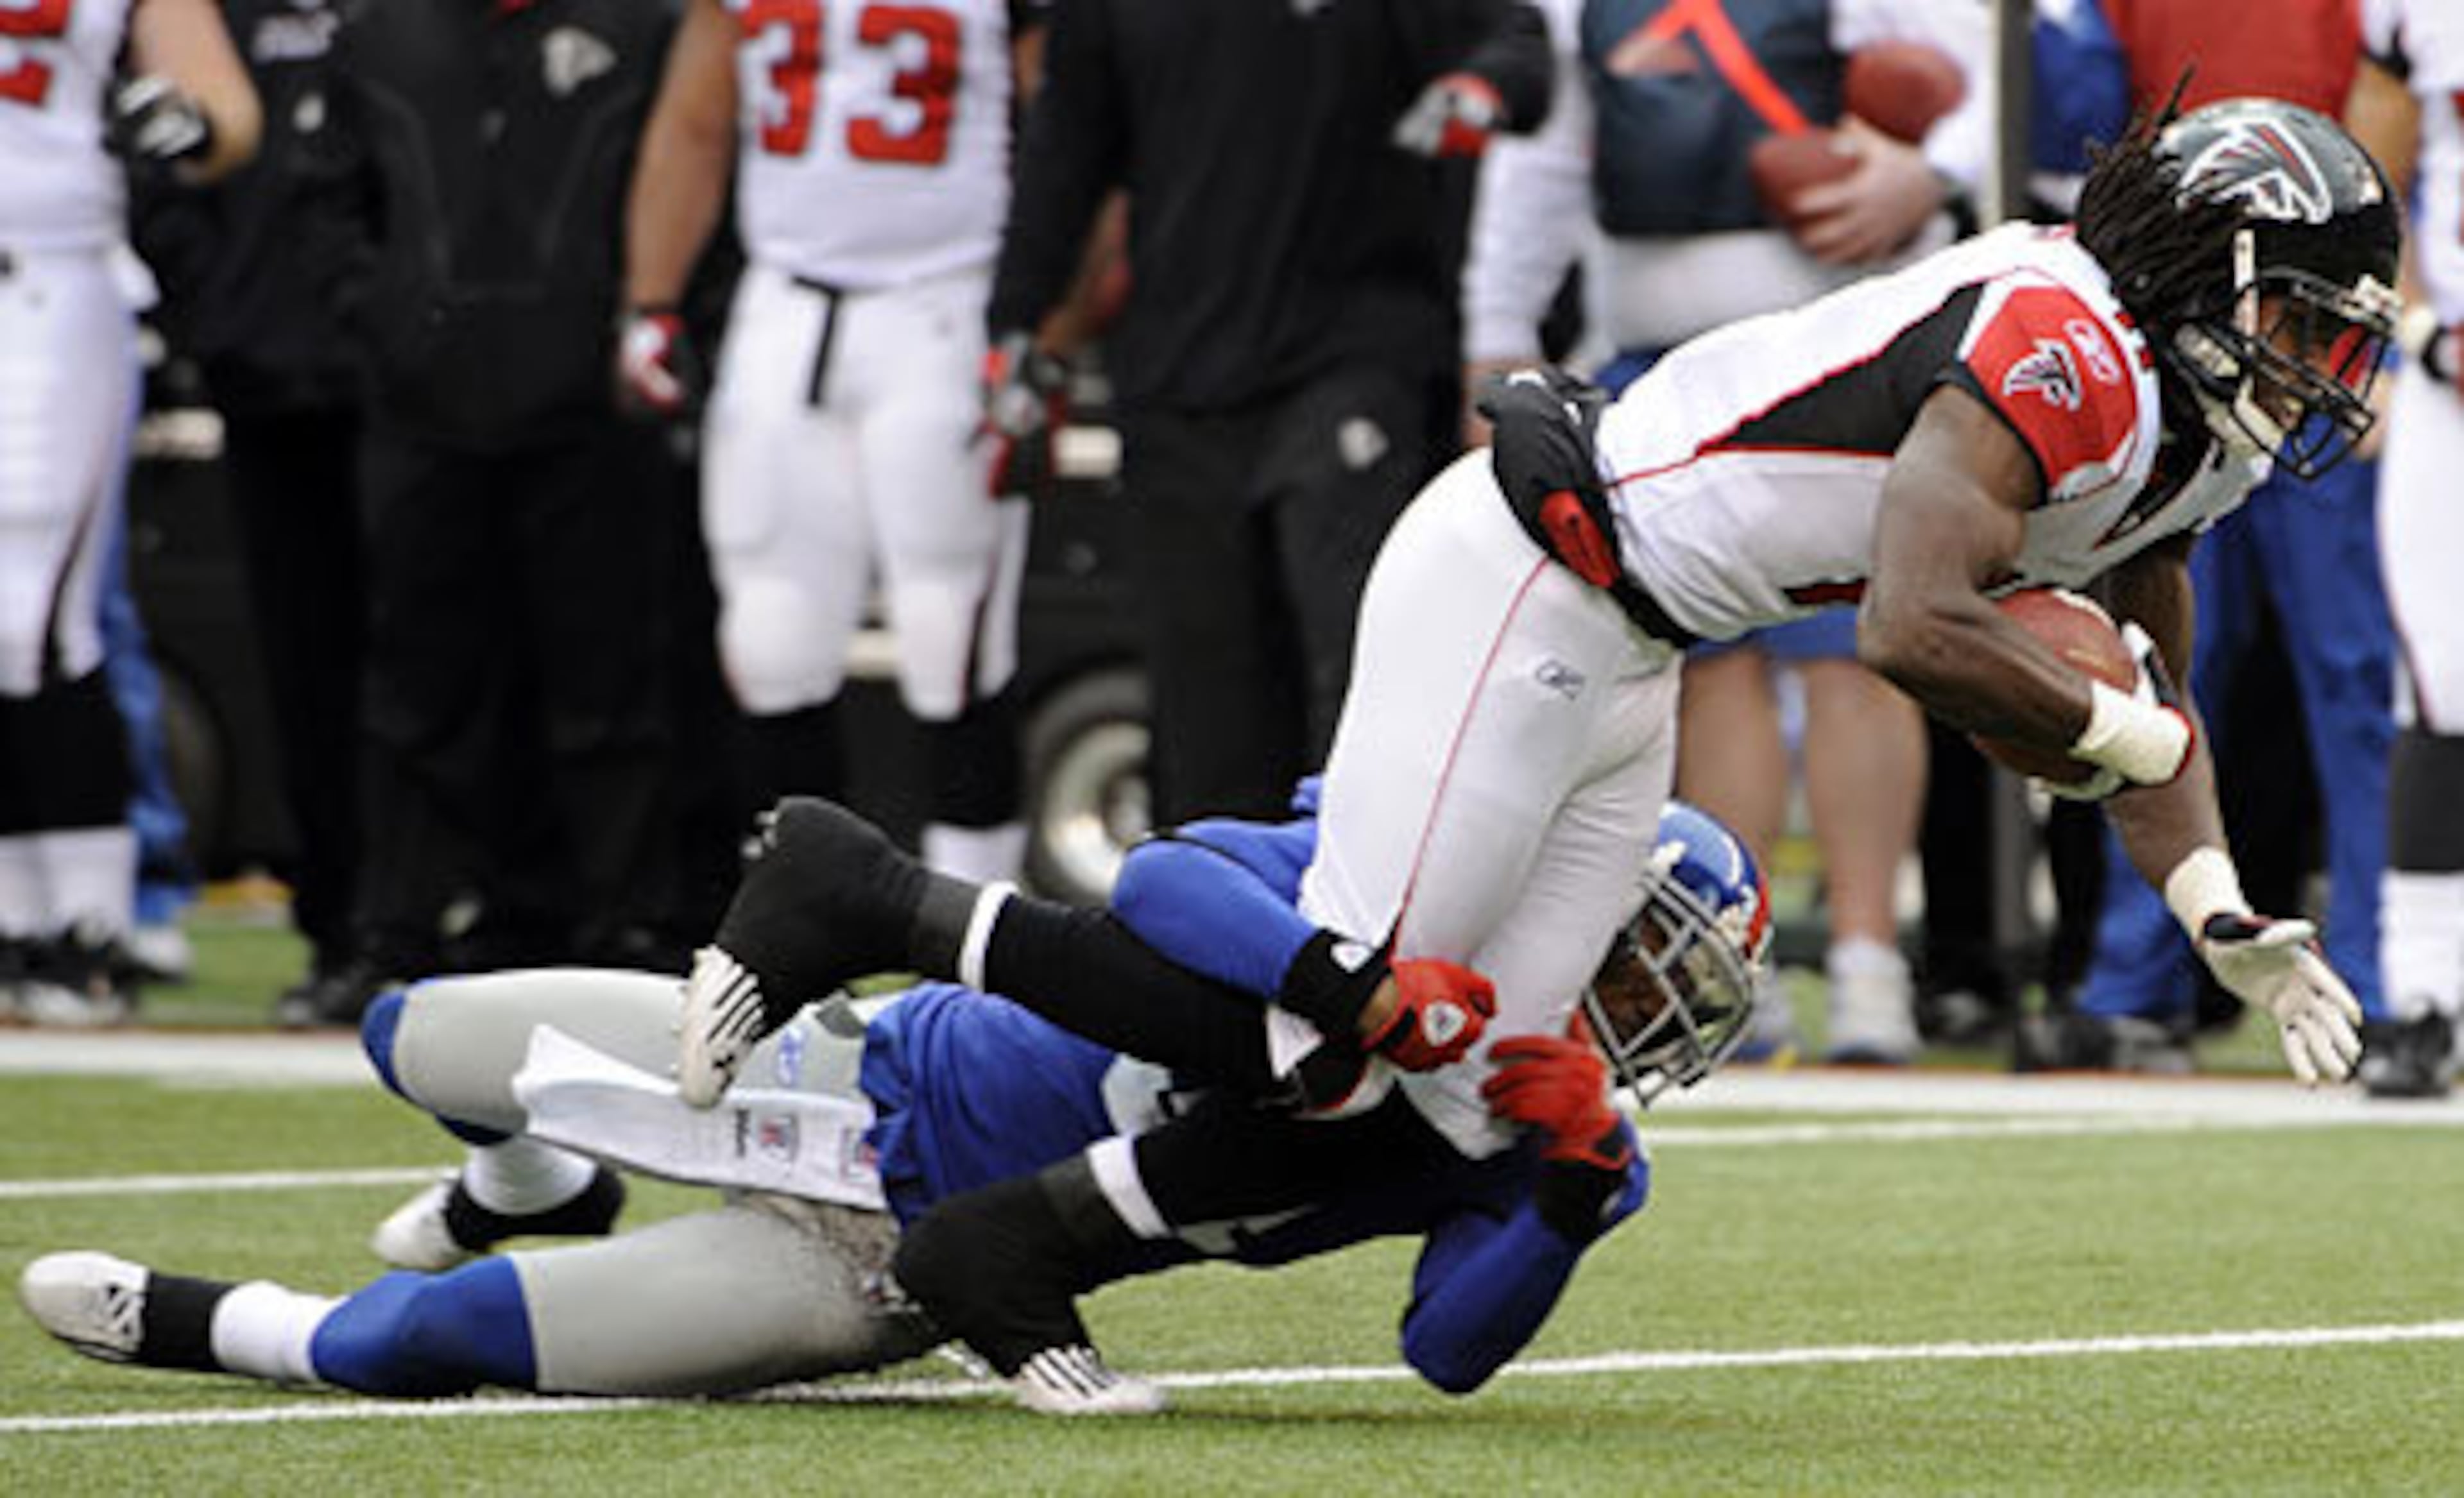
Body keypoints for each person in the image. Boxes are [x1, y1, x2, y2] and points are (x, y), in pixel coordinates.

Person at [675, 94, 2390, 1385]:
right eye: (2307, 321)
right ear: (2196, 270)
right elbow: (1913, 627)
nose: (2321, 372)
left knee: (1462, 1093)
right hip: (1529, 573)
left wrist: (2216, 909)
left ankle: (1010, 1249)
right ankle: (866, 895)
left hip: (1640, 646)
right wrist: (2116, 733)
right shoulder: (2061, 340)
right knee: (1342, 1013)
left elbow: (2149, 712)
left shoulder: (2190, 437)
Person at [15, 797, 1764, 1415]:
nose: (1627, 1013)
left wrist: (1563, 1180)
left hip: (891, 1266)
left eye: (1660, 997)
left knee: (416, 1344)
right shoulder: (1390, 886)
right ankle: (533, 1175)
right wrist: (1345, 990)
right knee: (416, 1032)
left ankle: (227, 1329)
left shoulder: (1551, 1140)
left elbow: (1445, 1350)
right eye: (1630, 963)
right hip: (839, 1062)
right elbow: (1160, 891)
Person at [1464, 0, 1992, 1065]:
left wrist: (1925, 176)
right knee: (1707, 666)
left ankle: (1868, 959)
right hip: (1652, 355)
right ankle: (1731, 953)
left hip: (1831, 348)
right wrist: (1499, 331)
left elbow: (1976, 81)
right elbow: (1548, 163)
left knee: (1854, 654)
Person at [984, 0, 1554, 830]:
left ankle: (1361, 923)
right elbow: (1065, 150)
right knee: (1203, 693)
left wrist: (1484, 88)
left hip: (1354, 356)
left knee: (1359, 657)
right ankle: (1220, 936)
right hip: (1177, 376)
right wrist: (1017, 321)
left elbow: (1517, 43)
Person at [2019, 0, 2400, 1084]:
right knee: (2152, 667)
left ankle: (2361, 974)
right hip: (2214, 326)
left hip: (2302, 324)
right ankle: (2154, 978)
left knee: (2333, 676)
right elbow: (2084, 119)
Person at [293, 0, 689, 1016]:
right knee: (416, 687)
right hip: (423, 412)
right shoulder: (383, 34)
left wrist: (640, 334)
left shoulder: (643, 27)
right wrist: (382, 324)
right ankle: (396, 933)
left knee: (607, 679)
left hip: (589, 410)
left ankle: (622, 929)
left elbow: (686, 178)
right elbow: (324, 202)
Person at [618, 0, 1050, 884]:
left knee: (951, 639)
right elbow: (698, 123)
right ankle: (805, 933)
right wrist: (652, 302)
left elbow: (1065, 136)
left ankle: (982, 943)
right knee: (772, 638)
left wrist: (1048, 326)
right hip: (786, 301)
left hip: (947, 301)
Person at [0, 0, 259, 1022]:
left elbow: (226, 119)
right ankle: (19, 918)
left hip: (52, 286)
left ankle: (93, 926)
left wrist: (180, 127)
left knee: (32, 614)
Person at [129, 0, 366, 1023]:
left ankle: (465, 917)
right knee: (305, 671)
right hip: (266, 368)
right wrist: (210, 303)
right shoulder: (217, 13)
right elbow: (161, 149)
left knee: (437, 674)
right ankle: (345, 926)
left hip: (411, 385)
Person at [2345, 0, 2464, 1096]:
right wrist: (2423, 331)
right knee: (2440, 679)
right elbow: (2369, 187)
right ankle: (2425, 993)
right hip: (2453, 388)